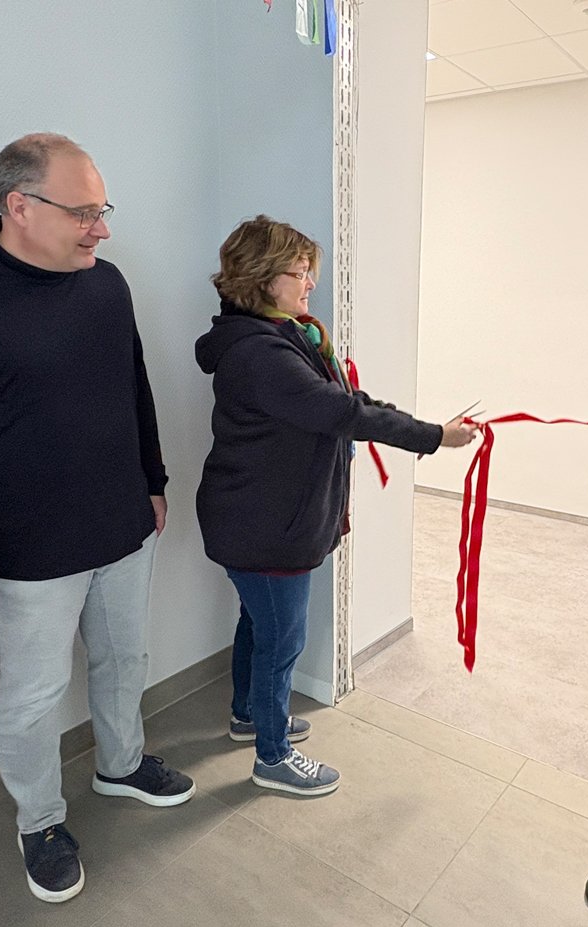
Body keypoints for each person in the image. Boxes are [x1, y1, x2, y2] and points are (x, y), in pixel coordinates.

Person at [0, 133, 193, 905]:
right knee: (28, 697)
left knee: (124, 662)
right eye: (85, 212)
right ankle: (40, 821)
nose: (102, 228)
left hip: (122, 527)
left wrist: (150, 481)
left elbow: (133, 388)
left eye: (103, 209)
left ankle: (120, 766)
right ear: (19, 206)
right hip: (24, 553)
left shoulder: (105, 284)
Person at [194, 215, 478, 796]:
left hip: (260, 515)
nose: (309, 284)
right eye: (300, 273)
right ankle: (271, 757)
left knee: (260, 623)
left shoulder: (285, 337)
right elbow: (340, 413)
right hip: (265, 524)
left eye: (309, 272)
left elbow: (344, 399)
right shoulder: (260, 354)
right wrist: (432, 435)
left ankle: (249, 716)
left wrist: (422, 425)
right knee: (281, 640)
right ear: (263, 278)